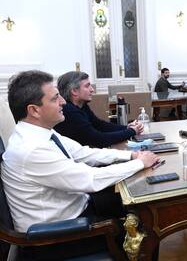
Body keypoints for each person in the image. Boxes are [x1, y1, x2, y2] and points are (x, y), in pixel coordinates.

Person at [1, 70, 159, 258]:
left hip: (73, 209)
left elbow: (85, 153)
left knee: (141, 207)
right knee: (148, 234)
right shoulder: (31, 149)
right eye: (55, 98)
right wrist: (140, 164)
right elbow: (90, 179)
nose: (63, 102)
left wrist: (131, 156)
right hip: (54, 238)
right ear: (34, 110)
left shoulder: (41, 132)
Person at [54, 71, 143, 148]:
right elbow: (99, 139)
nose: (92, 90)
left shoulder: (81, 105)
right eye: (87, 86)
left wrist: (127, 127)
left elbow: (100, 125)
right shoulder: (69, 111)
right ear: (74, 91)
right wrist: (132, 131)